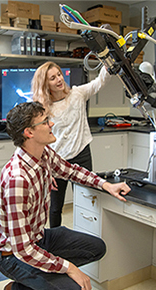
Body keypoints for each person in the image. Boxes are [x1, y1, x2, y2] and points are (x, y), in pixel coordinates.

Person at [0, 101, 130, 290]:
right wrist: (69, 268)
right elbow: (23, 249)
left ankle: (39, 278)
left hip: (39, 239)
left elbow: (71, 171)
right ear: (29, 133)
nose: (51, 124)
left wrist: (106, 185)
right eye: (45, 121)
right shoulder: (18, 180)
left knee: (96, 248)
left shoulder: (43, 154)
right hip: (13, 256)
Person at [31, 61, 112, 228]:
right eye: (52, 78)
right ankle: (56, 240)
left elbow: (99, 83)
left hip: (81, 154)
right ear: (45, 84)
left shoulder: (77, 94)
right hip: (57, 160)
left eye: (59, 74)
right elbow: (40, 140)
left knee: (87, 199)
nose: (59, 79)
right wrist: (46, 169)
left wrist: (108, 64)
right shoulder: (43, 108)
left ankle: (86, 233)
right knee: (55, 207)